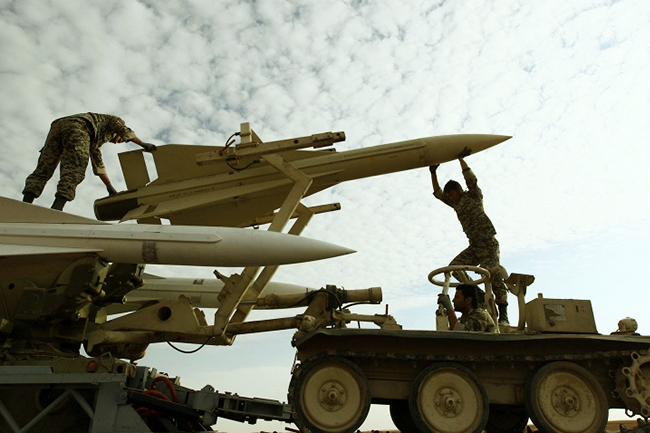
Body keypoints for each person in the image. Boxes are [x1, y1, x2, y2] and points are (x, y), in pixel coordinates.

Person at [430, 148, 509, 325]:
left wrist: (460, 159)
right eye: (449, 195)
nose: (450, 197)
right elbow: (438, 193)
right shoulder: (455, 204)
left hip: (488, 243)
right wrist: (433, 172)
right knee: (454, 268)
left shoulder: (473, 196)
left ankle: (503, 314)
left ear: (459, 190)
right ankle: (478, 294)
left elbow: (471, 180)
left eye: (452, 193)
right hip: (474, 246)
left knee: (493, 274)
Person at [22, 113, 156, 211]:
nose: (118, 142)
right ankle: (57, 207)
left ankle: (26, 202)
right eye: (121, 140)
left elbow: (99, 165)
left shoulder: (94, 143)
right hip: (81, 126)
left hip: (58, 126)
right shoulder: (114, 121)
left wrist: (109, 187)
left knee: (45, 165)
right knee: (75, 167)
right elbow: (123, 129)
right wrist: (142, 144)